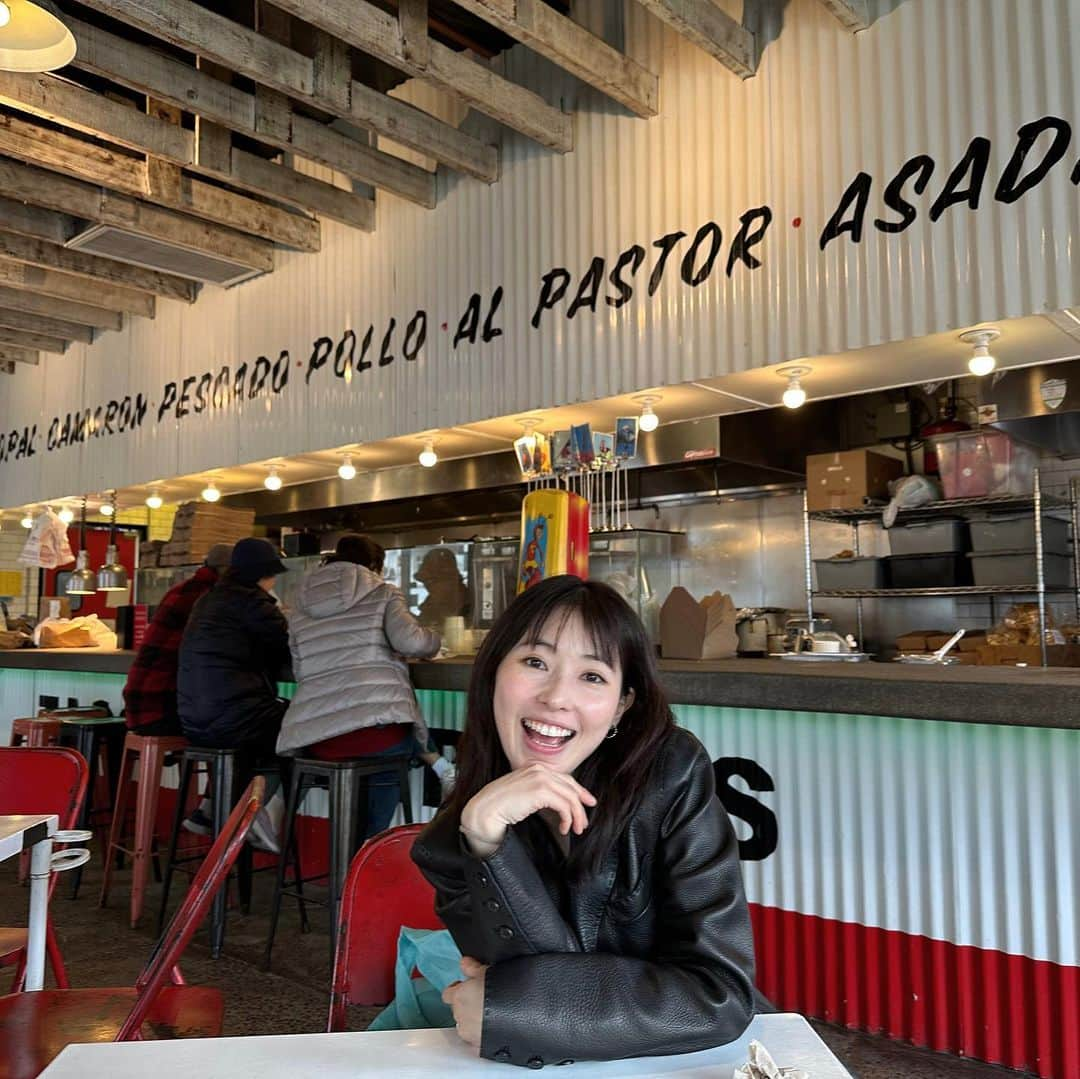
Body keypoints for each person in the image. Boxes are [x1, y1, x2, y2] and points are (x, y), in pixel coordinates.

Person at [412, 575, 756, 1067]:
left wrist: (510, 1008)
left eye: (591, 676)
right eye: (535, 662)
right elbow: (535, 972)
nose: (555, 697)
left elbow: (718, 993)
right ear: (493, 676)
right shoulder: (454, 843)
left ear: (622, 704)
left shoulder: (671, 776)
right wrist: (488, 843)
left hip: (685, 1062)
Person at [278, 534, 453, 836]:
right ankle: (367, 855)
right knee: (397, 725)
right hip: (377, 738)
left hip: (320, 738)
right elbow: (410, 641)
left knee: (388, 724)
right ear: (374, 565)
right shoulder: (383, 592)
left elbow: (299, 669)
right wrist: (436, 641)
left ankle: (347, 858)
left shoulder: (299, 605)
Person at [178, 537, 291, 848]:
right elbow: (291, 649)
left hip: (194, 720)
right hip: (233, 719)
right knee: (301, 726)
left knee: (276, 726)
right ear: (264, 574)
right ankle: (257, 813)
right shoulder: (255, 605)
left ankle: (213, 809)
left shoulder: (210, 599)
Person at [122, 543, 233, 738]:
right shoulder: (209, 597)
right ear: (227, 570)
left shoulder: (183, 590)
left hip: (141, 702)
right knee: (235, 726)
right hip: (161, 706)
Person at [415, 546, 469, 630]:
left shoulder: (460, 601)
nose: (428, 587)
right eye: (425, 582)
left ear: (448, 579)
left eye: (431, 582)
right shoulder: (432, 601)